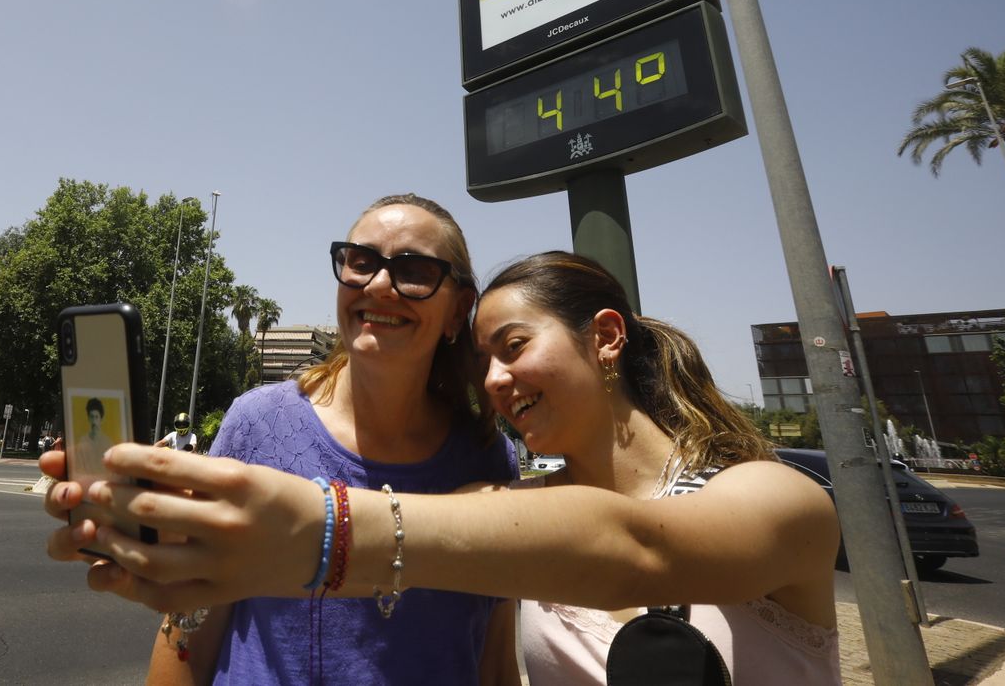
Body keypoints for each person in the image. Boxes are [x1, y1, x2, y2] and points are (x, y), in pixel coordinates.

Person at [48, 251, 842, 686]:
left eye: (515, 347)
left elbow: (641, 550)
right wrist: (192, 552)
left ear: (605, 336)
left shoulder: (778, 498)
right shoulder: (504, 501)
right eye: (483, 360)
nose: (495, 380)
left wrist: (322, 531)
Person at [44, 194, 519, 685]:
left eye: (414, 270)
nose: (379, 284)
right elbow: (188, 628)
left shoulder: (488, 457)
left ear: (458, 310)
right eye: (361, 262)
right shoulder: (259, 422)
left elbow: (496, 659)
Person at [69, 397, 114, 480]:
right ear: (88, 418)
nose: (94, 421)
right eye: (92, 417)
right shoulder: (82, 441)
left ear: (101, 419)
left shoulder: (108, 442)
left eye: (96, 417)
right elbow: (79, 467)